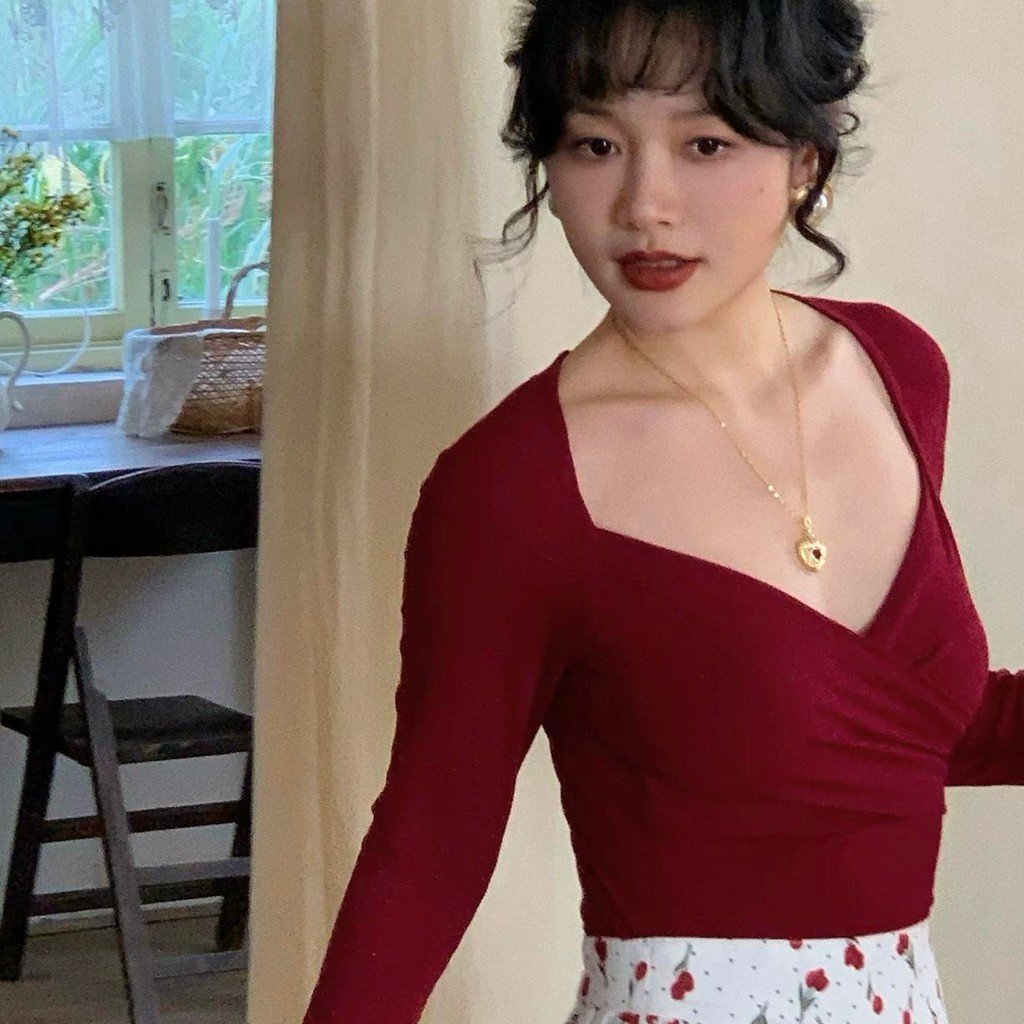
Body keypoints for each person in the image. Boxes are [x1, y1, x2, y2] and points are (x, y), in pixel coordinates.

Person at [302, 2, 1023, 1022]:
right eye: (595, 144)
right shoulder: (511, 489)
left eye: (705, 144)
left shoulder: (895, 370)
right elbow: (431, 842)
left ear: (805, 155)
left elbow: (898, 735)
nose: (645, 205)